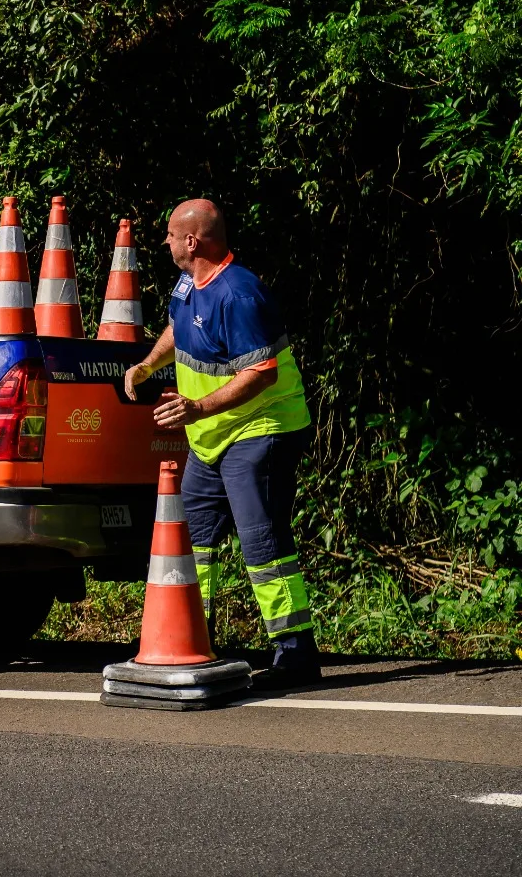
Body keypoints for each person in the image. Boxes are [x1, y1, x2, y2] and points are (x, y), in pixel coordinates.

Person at [123, 199, 320, 689]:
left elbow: (261, 372)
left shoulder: (240, 295)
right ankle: (193, 640)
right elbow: (177, 329)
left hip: (262, 428)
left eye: (171, 234)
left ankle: (295, 654)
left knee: (263, 544)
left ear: (193, 241)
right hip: (211, 436)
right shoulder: (189, 284)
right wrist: (148, 365)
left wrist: (198, 409)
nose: (165, 242)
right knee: (191, 543)